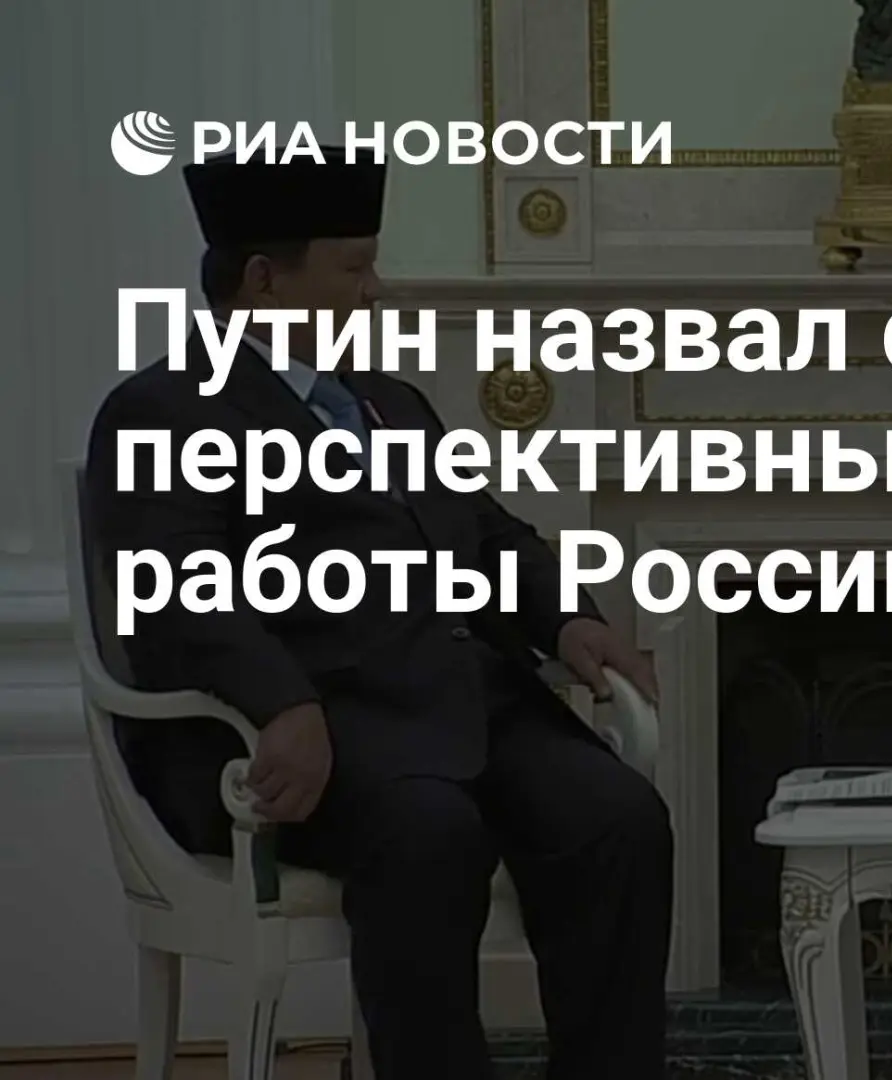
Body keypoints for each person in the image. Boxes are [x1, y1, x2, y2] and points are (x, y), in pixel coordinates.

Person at [84, 149, 674, 1080]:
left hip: (466, 702)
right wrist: (282, 703)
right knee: (432, 835)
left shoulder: (388, 401)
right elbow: (179, 588)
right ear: (264, 280)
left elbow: (487, 530)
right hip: (315, 724)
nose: (375, 289)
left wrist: (569, 621)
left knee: (620, 818)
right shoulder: (161, 410)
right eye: (354, 266)